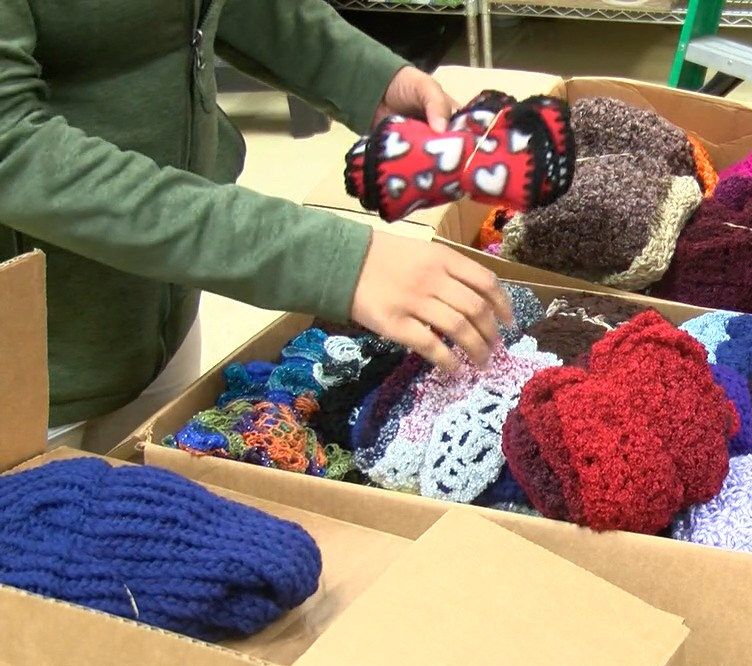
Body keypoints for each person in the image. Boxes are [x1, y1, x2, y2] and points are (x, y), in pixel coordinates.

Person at [0, 0, 513, 453]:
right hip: (32, 356)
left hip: (159, 304)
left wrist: (367, 78)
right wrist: (331, 260)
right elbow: (13, 147)